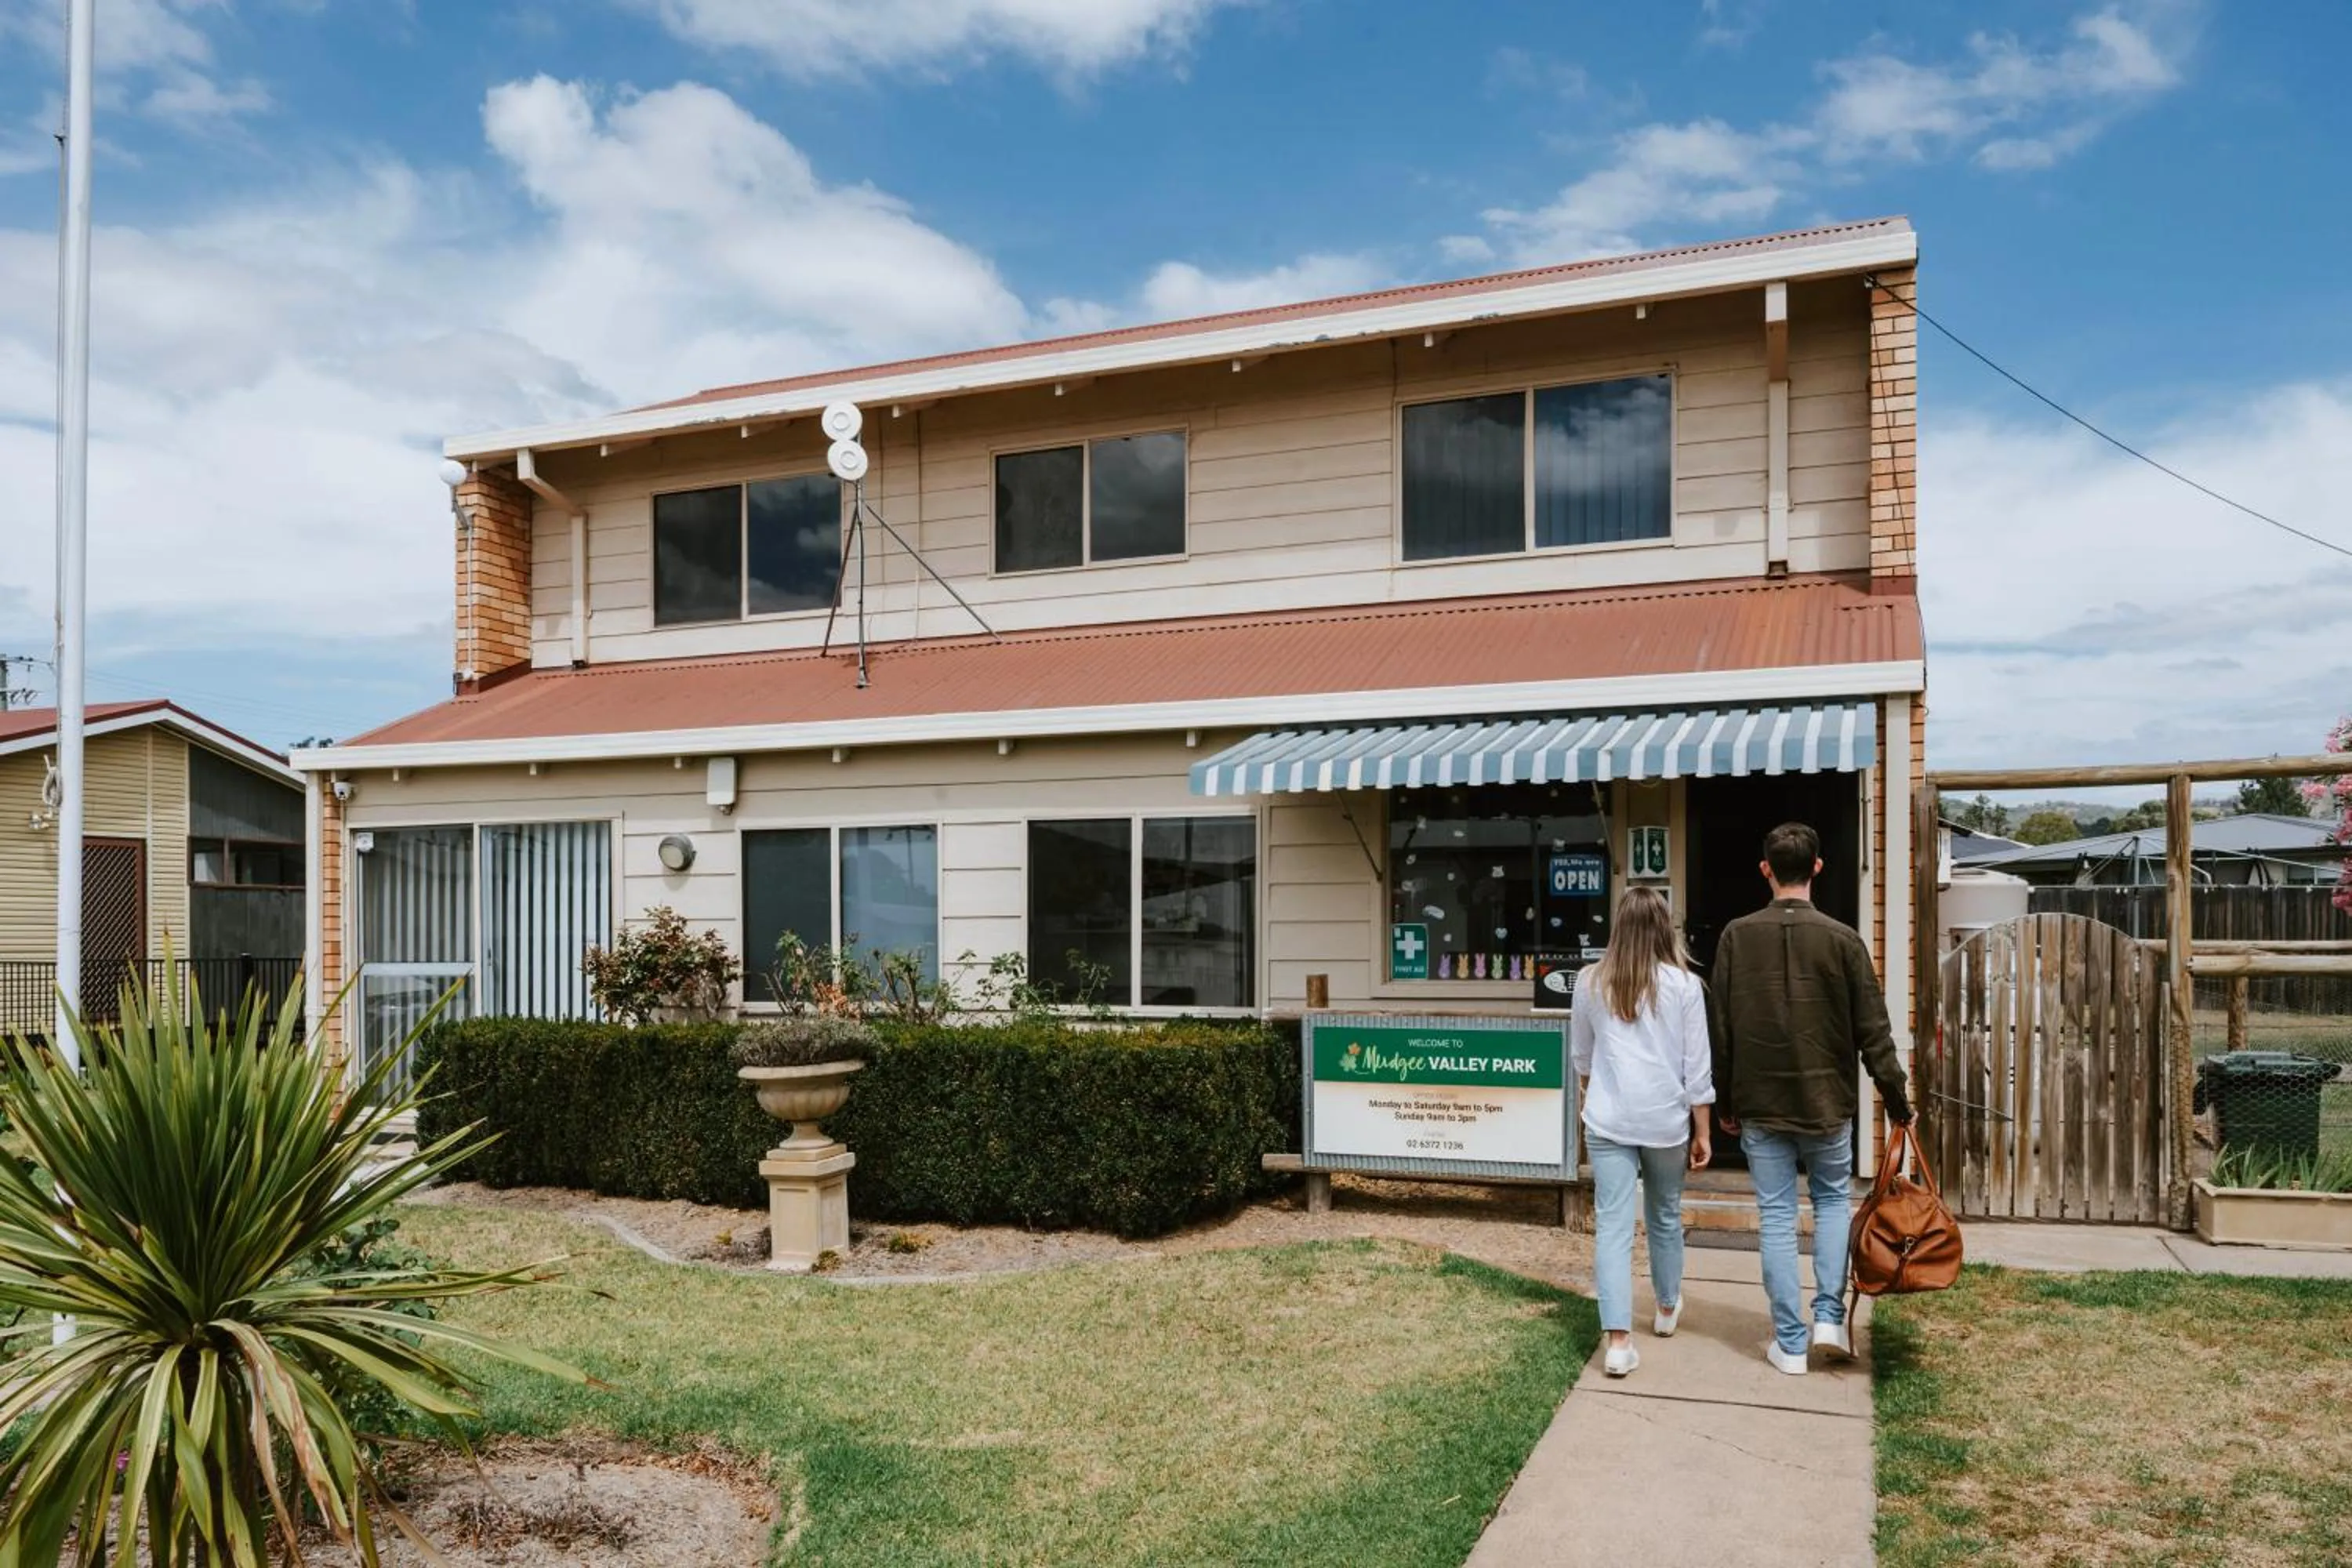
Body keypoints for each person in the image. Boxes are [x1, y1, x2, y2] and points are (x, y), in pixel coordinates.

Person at [1708, 822, 1913, 1377]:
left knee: (1776, 1217)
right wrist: (1898, 1101)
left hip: (1760, 1102)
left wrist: (1724, 1099)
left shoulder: (1735, 936)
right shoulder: (1844, 940)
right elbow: (1876, 1032)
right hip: (1828, 1102)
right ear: (1818, 868)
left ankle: (1791, 1343)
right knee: (1829, 1206)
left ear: (1766, 869)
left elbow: (1720, 1030)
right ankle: (1828, 1319)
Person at [1571, 885, 1715, 1379]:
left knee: (1612, 1226)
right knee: (1665, 1214)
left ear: (1618, 928)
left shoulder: (1590, 982)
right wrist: (1704, 1131)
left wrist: (1591, 1096)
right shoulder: (1685, 986)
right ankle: (1668, 1306)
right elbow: (1697, 1069)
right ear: (1663, 928)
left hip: (1609, 1119)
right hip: (1665, 1120)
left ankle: (1617, 1341)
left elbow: (1583, 1058)